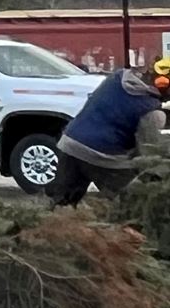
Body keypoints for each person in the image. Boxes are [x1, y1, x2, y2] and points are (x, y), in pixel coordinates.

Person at [50, 56, 170, 206]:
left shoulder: (118, 77)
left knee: (60, 204)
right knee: (133, 205)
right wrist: (158, 178)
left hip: (70, 142)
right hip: (104, 155)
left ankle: (37, 227)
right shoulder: (151, 111)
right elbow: (146, 155)